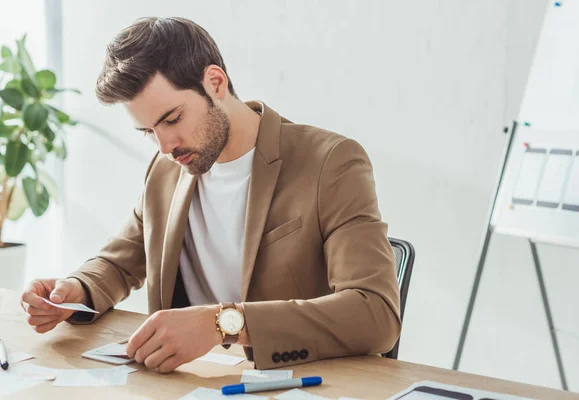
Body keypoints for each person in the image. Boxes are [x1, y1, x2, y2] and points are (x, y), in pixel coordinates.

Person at [20, 17, 401, 373]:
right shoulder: (166, 170)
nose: (165, 145)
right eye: (148, 131)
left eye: (172, 119)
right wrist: (75, 289)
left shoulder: (329, 162)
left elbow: (376, 313)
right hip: (193, 382)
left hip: (298, 381)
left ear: (215, 83)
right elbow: (120, 263)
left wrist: (223, 323)